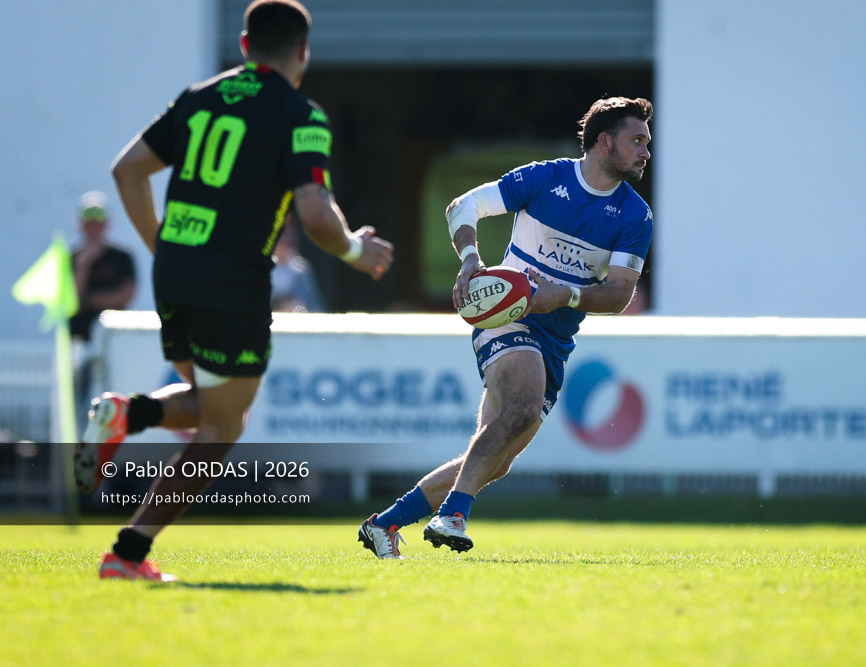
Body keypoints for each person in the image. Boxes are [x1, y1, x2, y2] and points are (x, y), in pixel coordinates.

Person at [74, 0, 394, 582]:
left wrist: (163, 246)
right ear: (303, 52)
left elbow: (127, 171)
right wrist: (355, 249)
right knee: (223, 427)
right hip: (232, 280)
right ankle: (127, 551)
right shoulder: (301, 114)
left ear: (244, 46)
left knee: (211, 402)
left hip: (174, 272)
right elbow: (316, 214)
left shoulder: (199, 97)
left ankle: (126, 415)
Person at [359, 96, 653, 559]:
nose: (644, 151)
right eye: (636, 140)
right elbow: (463, 207)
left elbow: (619, 293)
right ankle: (453, 515)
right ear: (603, 142)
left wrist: (567, 295)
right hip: (504, 316)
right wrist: (471, 260)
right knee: (521, 407)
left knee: (494, 461)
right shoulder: (545, 178)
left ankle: (385, 524)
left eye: (646, 143)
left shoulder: (635, 215)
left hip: (557, 339)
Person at [69, 191, 137, 431]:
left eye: (98, 223)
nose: (94, 228)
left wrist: (91, 299)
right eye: (89, 223)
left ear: (108, 223)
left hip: (114, 345)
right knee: (81, 406)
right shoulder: (71, 258)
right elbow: (73, 302)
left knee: (115, 400)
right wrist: (84, 267)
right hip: (81, 343)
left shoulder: (122, 257)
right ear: (81, 225)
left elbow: (126, 294)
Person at [271, 217, 326, 312]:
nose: (287, 242)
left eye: (289, 239)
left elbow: (315, 305)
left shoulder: (302, 269)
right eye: (283, 239)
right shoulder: (262, 268)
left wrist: (299, 308)